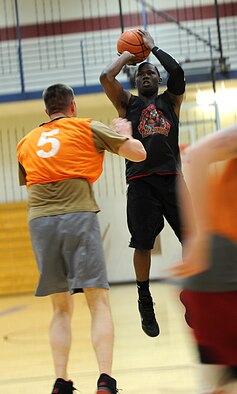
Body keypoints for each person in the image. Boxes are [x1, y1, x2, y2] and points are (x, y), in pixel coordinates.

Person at [16, 83, 146, 394]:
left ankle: (61, 381)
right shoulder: (86, 127)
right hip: (78, 214)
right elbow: (138, 155)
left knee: (61, 308)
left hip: (40, 221)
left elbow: (30, 180)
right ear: (72, 107)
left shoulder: (26, 141)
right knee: (98, 301)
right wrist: (125, 131)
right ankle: (105, 380)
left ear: (47, 110)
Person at [100, 29, 186, 337]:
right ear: (136, 82)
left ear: (158, 80)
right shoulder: (128, 106)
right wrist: (128, 54)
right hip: (140, 182)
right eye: (141, 75)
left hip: (173, 180)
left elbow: (177, 71)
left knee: (192, 238)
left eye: (150, 73)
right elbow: (105, 78)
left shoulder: (171, 102)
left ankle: (191, 291)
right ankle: (144, 298)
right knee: (143, 244)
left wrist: (153, 48)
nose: (146, 76)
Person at [169, 124, 237, 394]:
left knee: (219, 380)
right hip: (222, 266)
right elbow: (197, 155)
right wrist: (198, 236)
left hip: (217, 270)